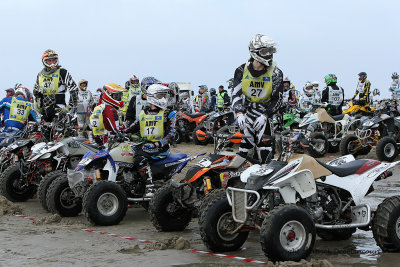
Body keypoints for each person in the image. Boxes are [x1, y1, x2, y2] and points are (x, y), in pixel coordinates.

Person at [231, 34, 283, 163]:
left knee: (265, 147)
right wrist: (239, 113)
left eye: (271, 51)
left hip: (264, 113)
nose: (269, 55)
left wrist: (265, 115)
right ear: (254, 52)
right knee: (244, 147)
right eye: (265, 51)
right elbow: (235, 93)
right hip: (246, 111)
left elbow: (278, 99)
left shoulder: (276, 72)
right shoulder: (241, 70)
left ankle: (266, 178)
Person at [125, 84, 176, 196]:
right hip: (145, 145)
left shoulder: (169, 113)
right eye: (160, 95)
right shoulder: (143, 113)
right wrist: (121, 133)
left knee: (138, 158)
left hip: (161, 148)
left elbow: (171, 134)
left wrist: (158, 144)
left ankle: (150, 187)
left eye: (163, 95)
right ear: (152, 96)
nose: (163, 98)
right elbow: (133, 126)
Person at [33, 49, 79, 122]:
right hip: (45, 112)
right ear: (44, 61)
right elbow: (36, 94)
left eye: (54, 60)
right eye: (49, 60)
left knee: (61, 132)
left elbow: (74, 89)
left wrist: (69, 107)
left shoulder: (62, 72)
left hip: (60, 110)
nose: (52, 63)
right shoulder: (40, 75)